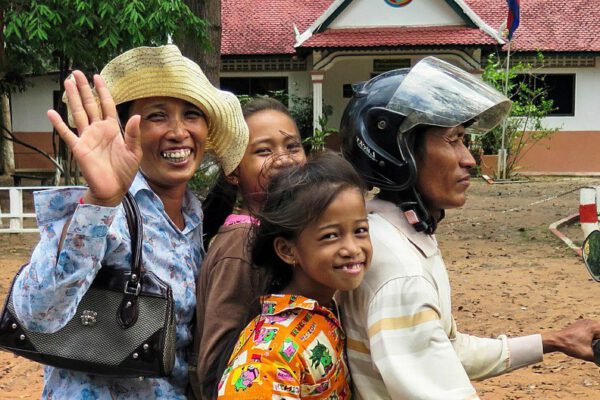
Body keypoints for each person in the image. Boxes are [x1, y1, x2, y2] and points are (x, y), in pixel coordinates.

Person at [338, 56, 600, 399]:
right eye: (453, 139)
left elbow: (442, 352)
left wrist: (554, 341)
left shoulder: (388, 231)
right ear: (398, 151)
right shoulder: (401, 274)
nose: (470, 159)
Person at [10, 45, 248, 399]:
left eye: (191, 115)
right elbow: (38, 314)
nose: (178, 131)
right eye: (157, 116)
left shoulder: (196, 215)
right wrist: (100, 202)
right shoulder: (110, 212)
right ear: (124, 130)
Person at [211, 152, 372, 399]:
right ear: (287, 250)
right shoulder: (269, 354)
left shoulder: (328, 306)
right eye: (330, 235)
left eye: (360, 230)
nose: (352, 248)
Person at [189, 97, 307, 398]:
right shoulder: (243, 244)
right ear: (233, 171)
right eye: (263, 150)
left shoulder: (280, 234)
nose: (283, 159)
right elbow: (214, 364)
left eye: (292, 147)